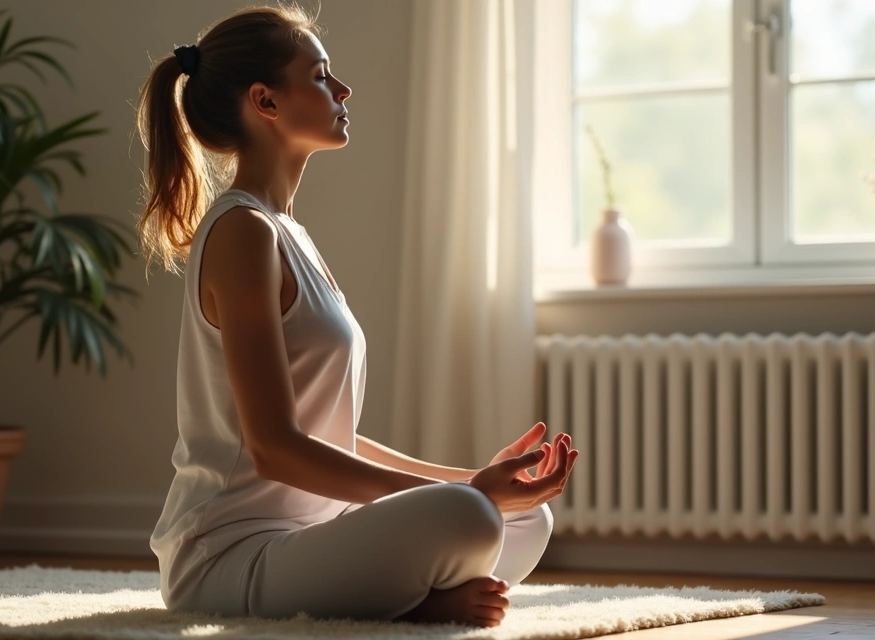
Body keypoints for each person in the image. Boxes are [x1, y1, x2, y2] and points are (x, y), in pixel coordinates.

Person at [135, 3, 578, 628]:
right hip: (231, 556)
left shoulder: (290, 235)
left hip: (313, 529)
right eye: (319, 75)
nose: (342, 89)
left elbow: (325, 432)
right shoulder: (242, 233)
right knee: (473, 516)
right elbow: (274, 448)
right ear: (266, 101)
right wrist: (462, 496)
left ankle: (414, 595)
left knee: (526, 516)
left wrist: (471, 477)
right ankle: (417, 604)